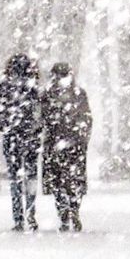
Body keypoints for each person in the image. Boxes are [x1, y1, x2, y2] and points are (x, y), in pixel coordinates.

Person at [41, 63, 92, 232]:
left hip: (59, 143)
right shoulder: (77, 94)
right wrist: (82, 136)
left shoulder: (49, 94)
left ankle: (65, 212)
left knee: (59, 180)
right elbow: (86, 118)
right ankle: (71, 211)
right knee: (72, 180)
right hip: (71, 143)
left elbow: (43, 118)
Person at [0, 54, 42, 231]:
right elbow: (39, 112)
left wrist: (6, 127)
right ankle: (30, 214)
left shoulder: (4, 87)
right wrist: (35, 130)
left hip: (12, 138)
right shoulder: (32, 87)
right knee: (30, 178)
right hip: (29, 138)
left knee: (15, 179)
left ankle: (18, 217)